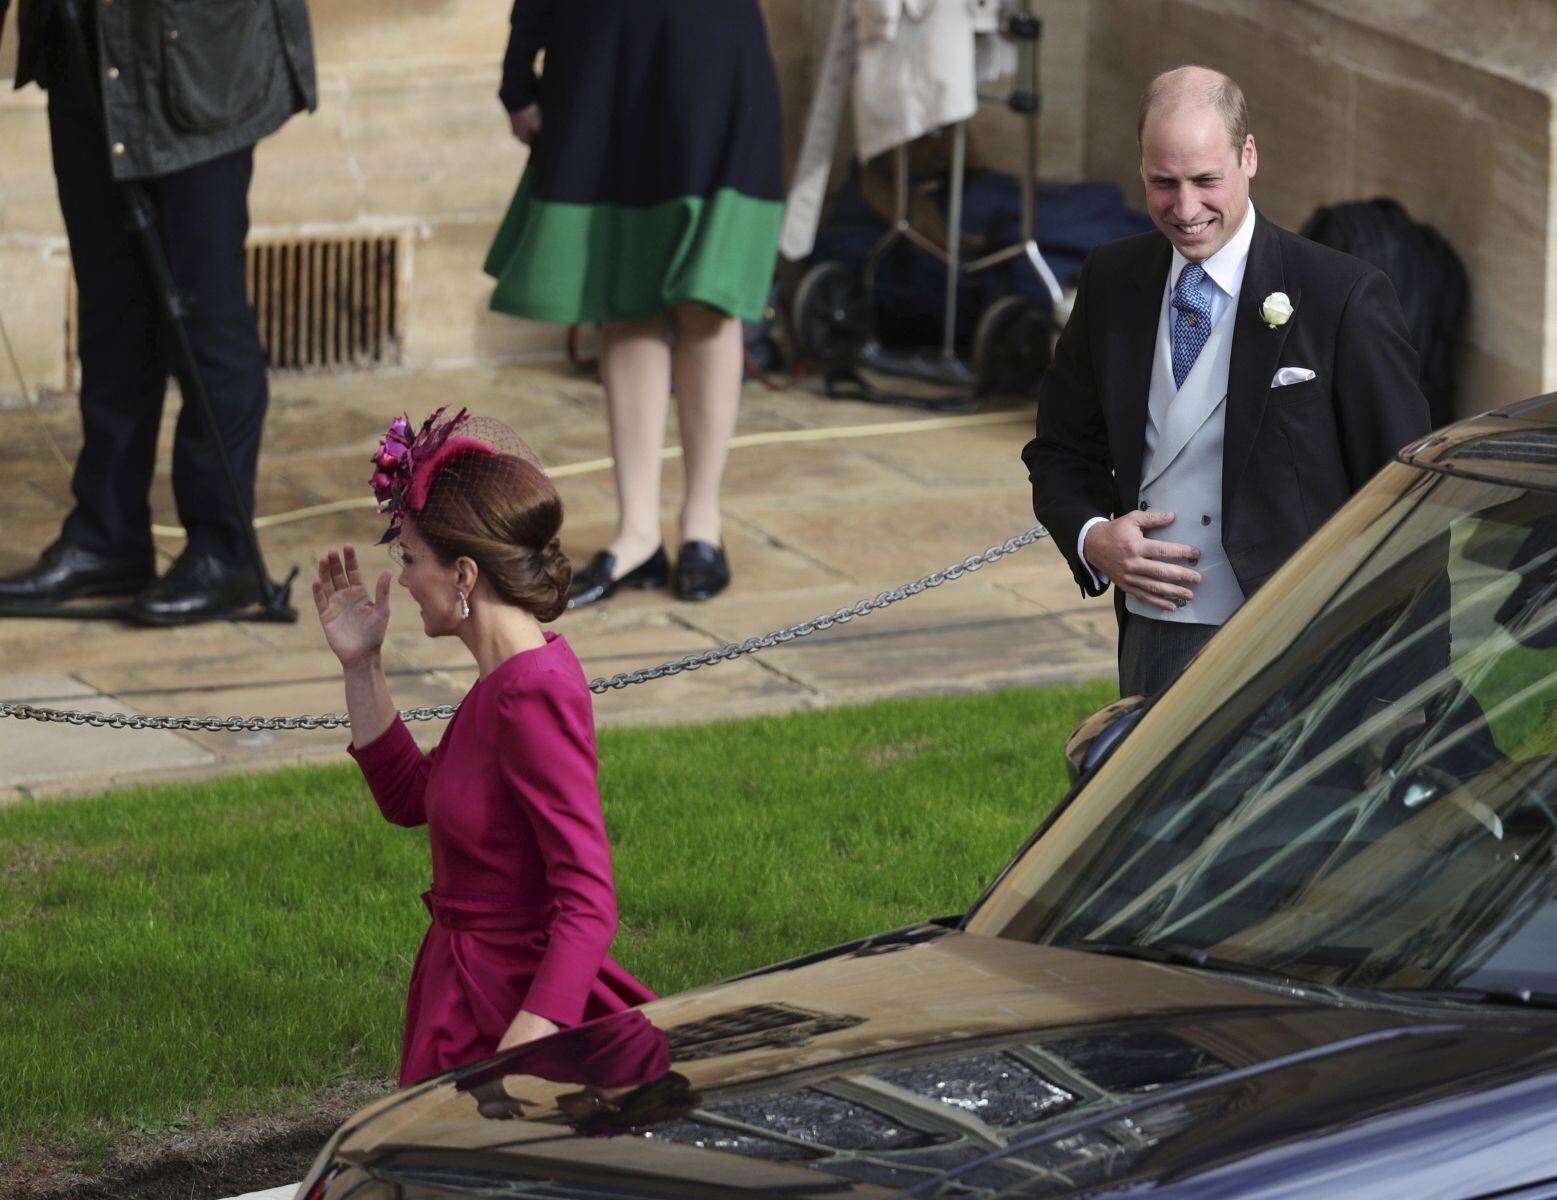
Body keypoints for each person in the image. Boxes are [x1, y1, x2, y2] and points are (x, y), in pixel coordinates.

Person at [1023, 66, 1430, 696]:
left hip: (1306, 640)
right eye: (1164, 183)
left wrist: (1418, 661)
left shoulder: (1341, 295)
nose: (1185, 210)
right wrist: (1092, 536)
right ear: (1141, 169)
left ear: (1249, 156)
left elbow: (1409, 490)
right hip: (1162, 630)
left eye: (1206, 181)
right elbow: (1060, 449)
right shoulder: (1110, 278)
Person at [313, 408, 654, 1086]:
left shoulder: (530, 694)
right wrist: (362, 665)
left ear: (463, 575)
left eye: (411, 560)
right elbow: (411, 798)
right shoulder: (504, 680)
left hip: (503, 1004)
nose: (405, 580)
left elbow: (588, 897)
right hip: (463, 984)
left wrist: (536, 1025)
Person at [0, 0, 314, 623]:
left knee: (205, 318)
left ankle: (223, 552)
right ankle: (106, 538)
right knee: (111, 311)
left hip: (195, 61)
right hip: (85, 47)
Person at [483, 0, 785, 607]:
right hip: (601, 59)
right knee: (625, 298)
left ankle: (702, 523)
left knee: (709, 298)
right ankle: (639, 532)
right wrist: (518, 76)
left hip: (713, 58)